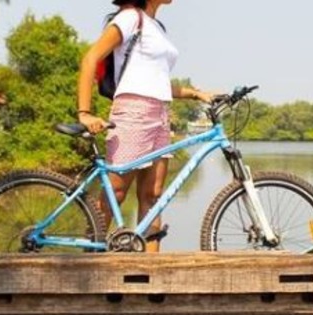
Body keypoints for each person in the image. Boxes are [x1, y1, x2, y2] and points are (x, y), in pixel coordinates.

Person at [77, 0, 214, 252]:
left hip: (160, 113)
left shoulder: (157, 26)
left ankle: (152, 270)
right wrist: (84, 112)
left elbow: (156, 82)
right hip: (133, 111)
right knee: (115, 193)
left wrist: (197, 94)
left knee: (153, 196)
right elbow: (90, 58)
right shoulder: (130, 17)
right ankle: (89, 259)